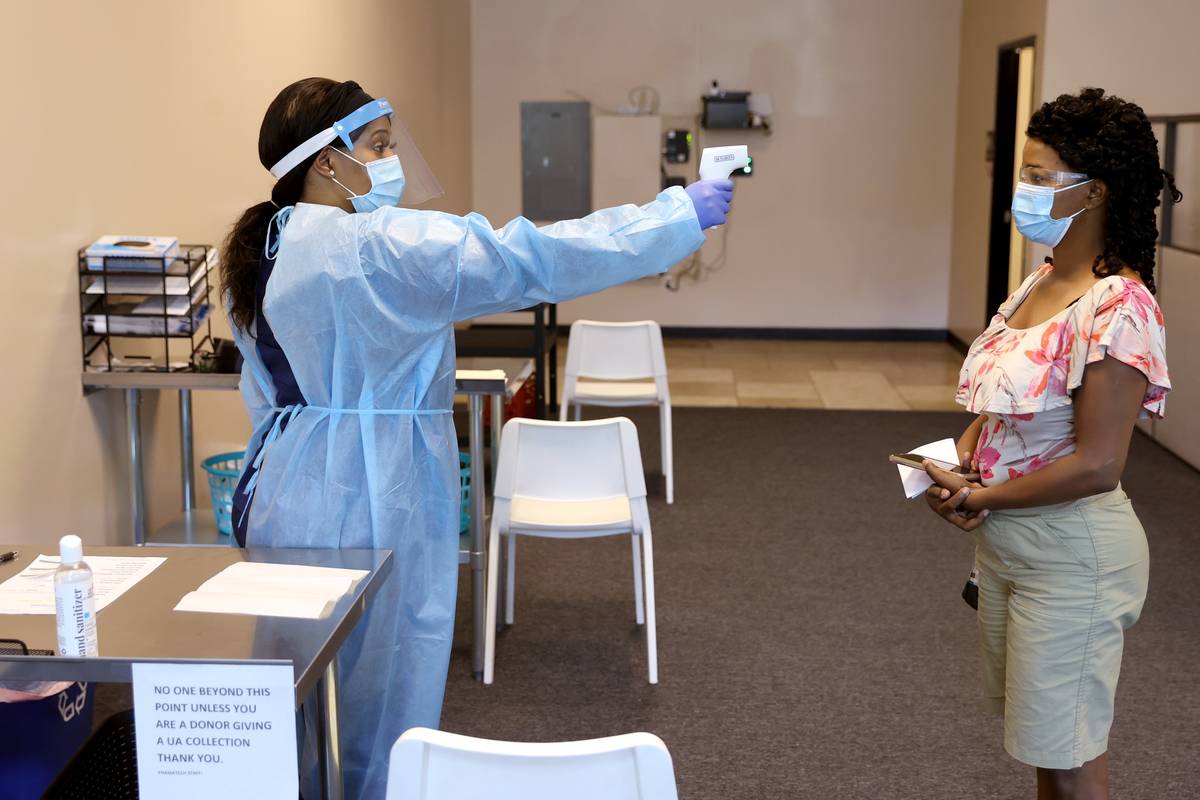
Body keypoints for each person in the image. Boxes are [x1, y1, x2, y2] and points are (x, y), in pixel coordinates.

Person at [220, 77, 732, 798]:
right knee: (383, 678)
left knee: (296, 677)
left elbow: (263, 398)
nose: (392, 160)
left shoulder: (262, 251)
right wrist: (674, 218)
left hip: (284, 487)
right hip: (383, 487)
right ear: (326, 163)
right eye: (378, 145)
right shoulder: (382, 245)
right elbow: (533, 258)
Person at [923, 88, 1180, 799]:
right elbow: (1001, 403)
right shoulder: (1042, 279)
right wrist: (960, 463)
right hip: (1011, 547)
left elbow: (1099, 464)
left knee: (1073, 766)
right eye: (1023, 173)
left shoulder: (1118, 305)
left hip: (1074, 557)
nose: (1023, 190)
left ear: (1093, 191)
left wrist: (983, 493)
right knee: (1044, 747)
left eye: (1040, 175)